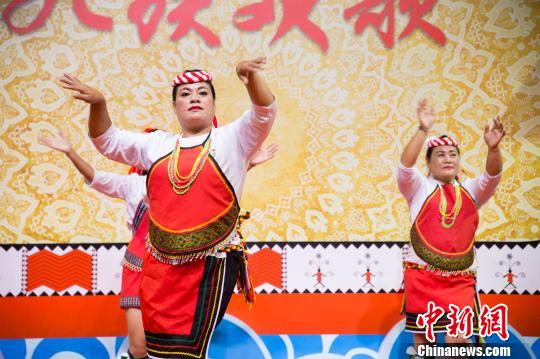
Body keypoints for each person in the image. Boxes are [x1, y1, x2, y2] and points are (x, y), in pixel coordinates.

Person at [59, 57, 276, 358]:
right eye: (185, 94)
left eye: (202, 92)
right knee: (154, 350)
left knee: (186, 352)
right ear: (175, 107)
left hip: (210, 263)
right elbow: (107, 141)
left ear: (213, 103)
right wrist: (99, 104)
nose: (194, 98)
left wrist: (250, 77)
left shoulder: (232, 139)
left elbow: (264, 114)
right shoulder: (157, 145)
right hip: (160, 266)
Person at [396, 100, 505, 358]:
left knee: (459, 342)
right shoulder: (418, 188)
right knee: (423, 346)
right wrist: (422, 130)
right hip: (422, 276)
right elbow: (404, 167)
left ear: (458, 161)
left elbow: (492, 176)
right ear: (430, 162)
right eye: (440, 155)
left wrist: (493, 149)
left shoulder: (471, 190)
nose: (448, 159)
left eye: (452, 154)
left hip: (459, 279)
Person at [38, 131, 149, 358]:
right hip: (139, 265)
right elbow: (96, 177)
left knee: (175, 342)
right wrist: (70, 153)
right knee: (139, 346)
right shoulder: (132, 184)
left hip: (174, 267)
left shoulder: (182, 184)